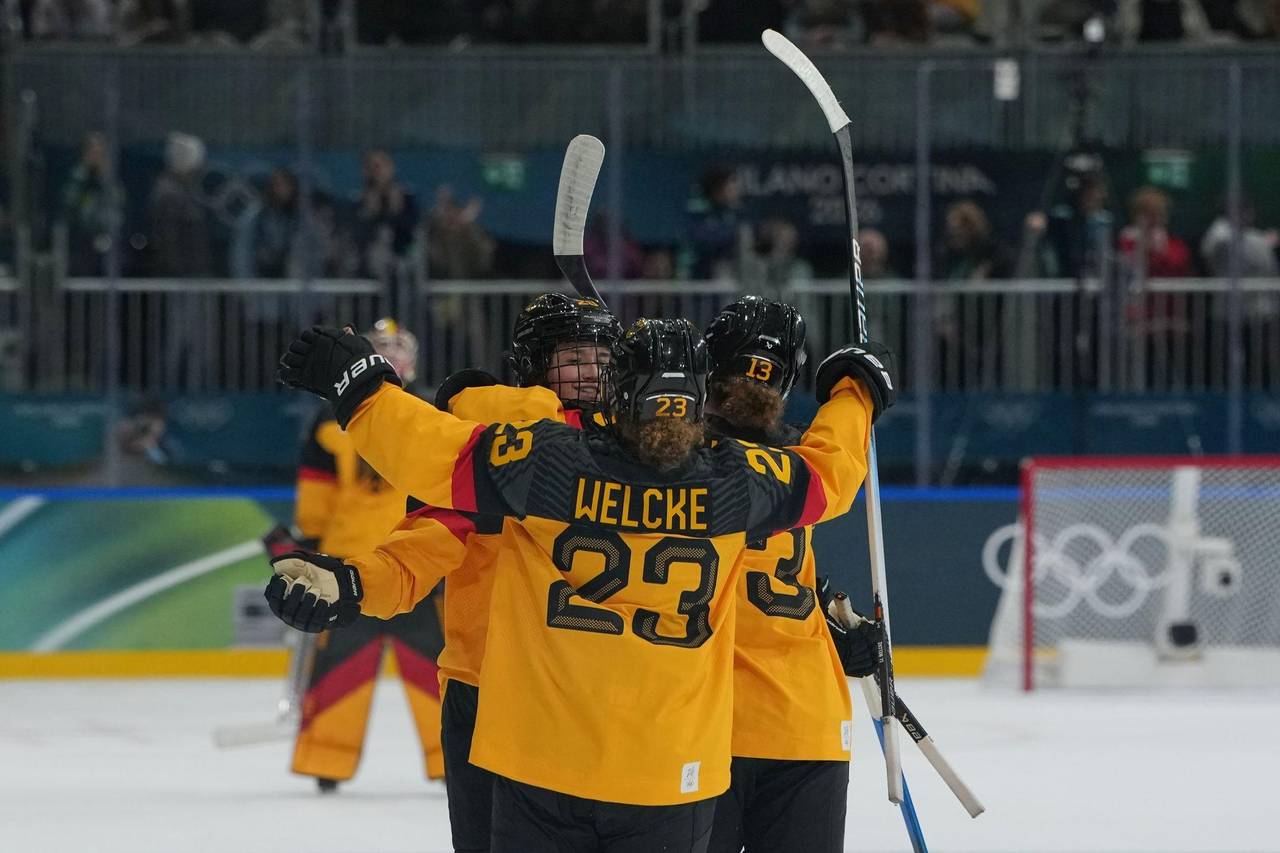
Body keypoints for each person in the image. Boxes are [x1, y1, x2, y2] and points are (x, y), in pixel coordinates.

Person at [267, 316, 896, 852]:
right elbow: (831, 473)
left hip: (540, 755)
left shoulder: (547, 462)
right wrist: (856, 393)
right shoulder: (736, 480)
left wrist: (363, 386)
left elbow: (427, 452)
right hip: (669, 768)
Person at [702, 297, 882, 853]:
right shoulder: (801, 462)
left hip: (704, 726)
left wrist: (825, 618)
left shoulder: (667, 466)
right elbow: (836, 462)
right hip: (805, 726)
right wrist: (857, 391)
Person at [285, 318, 447, 794]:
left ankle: (447, 759)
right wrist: (312, 542)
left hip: (400, 563)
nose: (393, 357)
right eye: (385, 349)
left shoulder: (339, 415)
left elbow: (449, 485)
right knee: (349, 669)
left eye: (399, 348)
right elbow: (317, 494)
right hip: (374, 563)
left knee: (436, 672)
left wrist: (310, 541)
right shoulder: (430, 412)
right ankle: (328, 760)